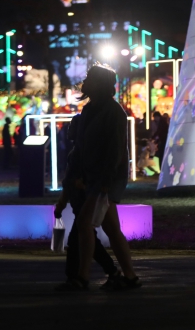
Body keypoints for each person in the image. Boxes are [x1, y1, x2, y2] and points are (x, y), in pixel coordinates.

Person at [55, 64, 139, 292]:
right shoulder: (89, 110)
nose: (85, 82)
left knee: (84, 223)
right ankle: (130, 277)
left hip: (104, 180)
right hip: (93, 178)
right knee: (111, 229)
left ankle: (82, 278)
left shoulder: (113, 112)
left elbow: (115, 150)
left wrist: (105, 182)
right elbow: (81, 149)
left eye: (90, 78)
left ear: (100, 84)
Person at [53, 115, 119, 290]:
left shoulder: (80, 154)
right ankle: (111, 272)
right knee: (87, 241)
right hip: (81, 203)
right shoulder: (79, 152)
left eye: (73, 126)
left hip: (84, 203)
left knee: (79, 241)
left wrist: (62, 202)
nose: (69, 129)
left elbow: (72, 182)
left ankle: (77, 278)